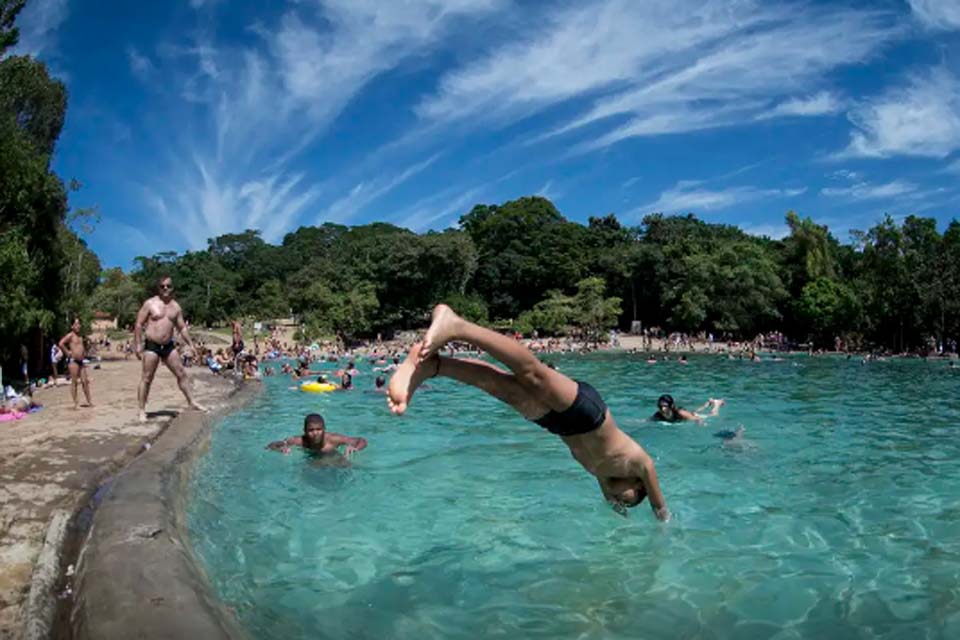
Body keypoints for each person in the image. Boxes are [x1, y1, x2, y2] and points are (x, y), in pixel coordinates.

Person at [388, 304, 669, 521]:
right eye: (632, 499)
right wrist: (663, 522)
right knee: (531, 374)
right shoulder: (639, 465)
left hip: (559, 426)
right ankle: (456, 325)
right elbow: (659, 506)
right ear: (640, 486)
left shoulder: (601, 476)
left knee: (498, 387)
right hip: (588, 414)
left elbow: (613, 502)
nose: (623, 501)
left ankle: (433, 367)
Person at [134, 276, 207, 422]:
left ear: (172, 288)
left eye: (168, 286)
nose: (165, 288)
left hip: (168, 346)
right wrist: (137, 345)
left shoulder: (175, 307)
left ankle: (191, 401)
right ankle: (142, 410)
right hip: (152, 346)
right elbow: (138, 324)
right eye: (162, 286)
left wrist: (191, 345)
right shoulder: (150, 303)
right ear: (158, 288)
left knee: (181, 374)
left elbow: (182, 328)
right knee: (147, 378)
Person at [266, 413, 368, 457]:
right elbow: (271, 445)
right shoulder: (299, 441)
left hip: (333, 457)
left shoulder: (333, 439)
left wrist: (356, 448)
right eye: (311, 430)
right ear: (304, 431)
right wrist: (280, 449)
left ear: (324, 429)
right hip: (312, 459)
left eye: (319, 429)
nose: (315, 433)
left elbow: (361, 440)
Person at [58, 318, 94, 409]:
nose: (78, 326)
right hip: (73, 361)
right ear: (72, 326)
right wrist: (67, 352)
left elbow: (83, 347)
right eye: (76, 324)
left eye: (79, 324)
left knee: (85, 381)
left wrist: (85, 351)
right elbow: (61, 343)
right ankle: (75, 403)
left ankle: (89, 401)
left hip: (81, 361)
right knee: (74, 382)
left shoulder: (80, 337)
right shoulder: (70, 335)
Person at [651, 395, 724, 424]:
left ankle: (717, 404)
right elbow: (647, 421)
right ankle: (708, 403)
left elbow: (697, 418)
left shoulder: (680, 412)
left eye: (665, 406)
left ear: (671, 406)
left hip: (690, 416)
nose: (662, 408)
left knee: (714, 415)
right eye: (660, 406)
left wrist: (701, 423)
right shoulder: (658, 414)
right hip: (689, 414)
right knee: (694, 411)